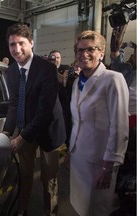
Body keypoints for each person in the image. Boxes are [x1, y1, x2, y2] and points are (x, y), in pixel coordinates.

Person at [2, 23, 65, 216]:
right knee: (25, 174)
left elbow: (44, 111)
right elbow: (14, 104)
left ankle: (50, 212)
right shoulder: (12, 71)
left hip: (48, 131)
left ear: (31, 43)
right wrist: (6, 131)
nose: (17, 49)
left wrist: (21, 138)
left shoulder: (46, 69)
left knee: (49, 179)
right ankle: (22, 210)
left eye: (21, 43)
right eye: (12, 44)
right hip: (25, 129)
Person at [68, 30, 129, 216]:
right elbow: (77, 121)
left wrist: (109, 165)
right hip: (79, 158)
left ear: (101, 53)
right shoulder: (78, 82)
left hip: (99, 162)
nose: (83, 54)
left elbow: (119, 126)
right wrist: (71, 150)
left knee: (96, 209)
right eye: (79, 50)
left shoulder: (112, 79)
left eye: (90, 49)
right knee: (79, 206)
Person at [110, 23, 136, 216]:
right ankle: (123, 202)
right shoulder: (125, 70)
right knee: (122, 167)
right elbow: (115, 57)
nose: (135, 55)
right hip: (123, 125)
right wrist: (118, 36)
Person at [49, 50, 75, 148]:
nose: (55, 60)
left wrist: (53, 69)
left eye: (58, 58)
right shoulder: (45, 69)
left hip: (63, 104)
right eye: (53, 58)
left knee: (65, 127)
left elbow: (64, 82)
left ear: (61, 59)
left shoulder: (65, 69)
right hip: (50, 106)